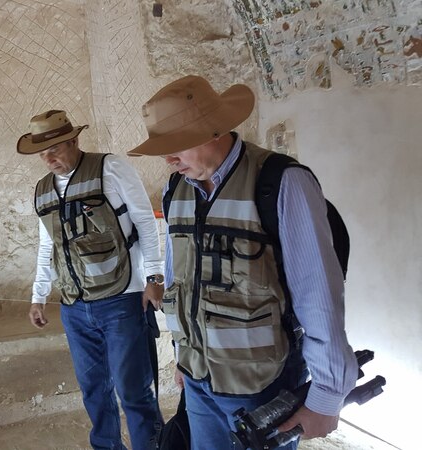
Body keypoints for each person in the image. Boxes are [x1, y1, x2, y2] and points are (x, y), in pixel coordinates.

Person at [128, 75, 358, 450]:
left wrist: (327, 394)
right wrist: (185, 355)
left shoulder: (281, 183)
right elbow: (179, 276)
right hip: (200, 381)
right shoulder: (176, 190)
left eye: (177, 146)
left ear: (214, 130)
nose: (168, 160)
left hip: (262, 386)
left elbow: (318, 295)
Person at [18, 110, 165, 450]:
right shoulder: (42, 191)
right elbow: (47, 247)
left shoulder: (110, 168)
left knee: (134, 391)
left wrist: (154, 276)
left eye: (55, 148)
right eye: (42, 153)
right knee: (94, 390)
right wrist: (38, 295)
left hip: (122, 300)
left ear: (74, 140)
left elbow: (145, 221)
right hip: (74, 306)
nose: (49, 158)